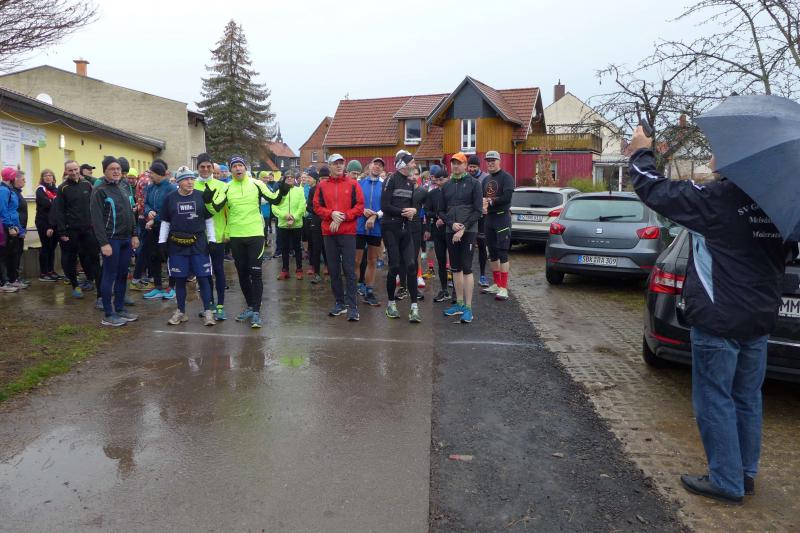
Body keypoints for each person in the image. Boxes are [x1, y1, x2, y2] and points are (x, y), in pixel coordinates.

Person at [628, 126, 791, 505]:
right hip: (758, 319)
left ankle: (725, 481)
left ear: (738, 160)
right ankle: (744, 474)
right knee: (746, 397)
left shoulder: (719, 199)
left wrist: (640, 152)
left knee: (715, 398)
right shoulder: (779, 207)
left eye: (719, 149)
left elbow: (655, 190)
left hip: (719, 320)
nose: (712, 155)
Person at [205, 155, 287, 328]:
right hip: (236, 236)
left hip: (255, 234)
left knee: (255, 273)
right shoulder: (227, 187)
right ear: (231, 170)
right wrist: (208, 199)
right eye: (234, 166)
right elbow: (216, 207)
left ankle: (256, 312)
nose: (238, 168)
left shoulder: (257, 184)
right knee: (242, 274)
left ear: (245, 168)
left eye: (240, 165)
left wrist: (283, 191)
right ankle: (250, 306)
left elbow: (275, 199)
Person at [158, 169, 217, 326]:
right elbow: (165, 222)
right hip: (177, 244)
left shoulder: (201, 196)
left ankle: (208, 311)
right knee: (179, 279)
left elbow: (209, 220)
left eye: (192, 179)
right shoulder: (170, 198)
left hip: (199, 243)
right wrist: (162, 242)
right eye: (186, 179)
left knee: (203, 277)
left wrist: (212, 240)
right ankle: (181, 312)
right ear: (178, 182)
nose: (190, 182)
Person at [312, 154, 364, 321]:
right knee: (333, 270)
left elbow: (360, 206)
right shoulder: (322, 185)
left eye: (341, 163)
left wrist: (342, 217)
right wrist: (331, 214)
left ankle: (353, 307)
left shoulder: (353, 184)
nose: (339, 166)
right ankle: (340, 303)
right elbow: (316, 207)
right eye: (335, 163)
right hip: (329, 233)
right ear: (330, 166)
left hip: (347, 232)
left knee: (349, 269)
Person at [90, 156, 140, 327]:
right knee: (109, 275)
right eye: (112, 169)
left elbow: (130, 213)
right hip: (111, 240)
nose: (116, 171)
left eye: (118, 169)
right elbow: (96, 220)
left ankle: (120, 309)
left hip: (126, 239)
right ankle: (108, 314)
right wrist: (103, 243)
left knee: (122, 274)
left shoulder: (123, 188)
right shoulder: (99, 190)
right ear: (105, 171)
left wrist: (134, 234)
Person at [381, 152, 423, 323]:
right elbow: (384, 205)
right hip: (390, 228)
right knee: (395, 266)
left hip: (406, 229)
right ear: (403, 164)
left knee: (411, 265)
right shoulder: (391, 179)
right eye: (411, 162)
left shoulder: (410, 183)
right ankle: (391, 304)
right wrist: (402, 212)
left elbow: (413, 206)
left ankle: (414, 307)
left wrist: (414, 210)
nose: (414, 165)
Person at [441, 152, 483, 323]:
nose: (456, 166)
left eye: (459, 163)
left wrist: (463, 228)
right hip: (451, 230)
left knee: (466, 268)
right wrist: (451, 224)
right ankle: (458, 303)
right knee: (455, 268)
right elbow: (441, 211)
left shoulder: (474, 184)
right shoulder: (447, 185)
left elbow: (478, 211)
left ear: (465, 165)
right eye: (453, 163)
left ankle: (468, 308)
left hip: (469, 231)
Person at [53, 160, 100, 299]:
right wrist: (62, 231)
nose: (74, 173)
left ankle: (95, 284)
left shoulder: (87, 184)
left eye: (75, 169)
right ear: (66, 171)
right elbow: (59, 211)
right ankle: (75, 285)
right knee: (71, 258)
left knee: (92, 257)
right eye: (70, 170)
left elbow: (94, 205)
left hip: (88, 228)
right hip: (71, 230)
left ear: (79, 169)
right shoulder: (62, 188)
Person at [194, 153, 228, 321]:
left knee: (218, 270)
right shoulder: (191, 185)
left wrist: (227, 232)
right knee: (203, 272)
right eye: (202, 166)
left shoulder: (222, 186)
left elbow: (222, 210)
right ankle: (209, 305)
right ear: (197, 168)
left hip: (217, 235)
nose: (206, 169)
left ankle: (220, 306)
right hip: (198, 237)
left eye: (209, 166)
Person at [480, 150, 515, 300]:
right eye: (488, 161)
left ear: (499, 161)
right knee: (492, 253)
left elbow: (507, 197)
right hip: (489, 219)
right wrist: (482, 205)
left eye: (493, 160)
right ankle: (496, 284)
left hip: (502, 218)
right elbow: (482, 198)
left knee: (502, 253)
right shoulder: (485, 180)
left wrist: (491, 201)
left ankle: (504, 288)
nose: (490, 163)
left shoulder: (506, 177)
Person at [142, 162, 177, 300]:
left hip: (167, 228)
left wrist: (155, 218)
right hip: (153, 228)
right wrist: (148, 211)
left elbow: (170, 210)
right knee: (153, 256)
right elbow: (146, 203)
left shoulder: (171, 188)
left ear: (159, 174)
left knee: (169, 256)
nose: (149, 175)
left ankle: (172, 287)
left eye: (151, 173)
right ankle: (157, 287)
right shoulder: (150, 187)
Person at [355, 158, 384, 307]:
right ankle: (353, 290)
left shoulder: (384, 186)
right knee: (356, 261)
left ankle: (369, 291)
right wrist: (362, 210)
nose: (377, 167)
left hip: (376, 227)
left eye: (380, 165)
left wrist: (375, 216)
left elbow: (387, 206)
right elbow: (353, 203)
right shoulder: (359, 184)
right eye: (375, 164)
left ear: (382, 169)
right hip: (359, 226)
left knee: (372, 260)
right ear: (370, 166)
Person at [272, 170, 306, 280]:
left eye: (291, 176)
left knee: (297, 248)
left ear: (294, 179)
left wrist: (294, 217)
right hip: (283, 224)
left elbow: (302, 206)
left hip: (296, 224)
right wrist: (285, 215)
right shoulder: (279, 192)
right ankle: (285, 270)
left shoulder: (299, 190)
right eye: (287, 177)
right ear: (284, 179)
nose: (290, 178)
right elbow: (274, 207)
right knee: (284, 248)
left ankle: (299, 269)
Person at [425, 165, 450, 302]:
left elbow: (457, 209)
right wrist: (437, 216)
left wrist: (445, 218)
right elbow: (427, 211)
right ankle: (444, 289)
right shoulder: (432, 194)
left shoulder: (453, 192)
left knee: (455, 262)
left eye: (442, 179)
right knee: (441, 261)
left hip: (451, 229)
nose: (439, 182)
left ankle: (456, 291)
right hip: (438, 230)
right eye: (437, 180)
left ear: (448, 179)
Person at [467, 154, 490, 288]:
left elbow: (489, 196)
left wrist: (484, 205)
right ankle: (465, 274)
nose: (472, 169)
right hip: (468, 218)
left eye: (474, 167)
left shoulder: (486, 178)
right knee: (467, 247)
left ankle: (482, 275)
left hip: (482, 218)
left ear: (479, 167)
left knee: (482, 246)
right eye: (470, 166)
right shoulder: (465, 178)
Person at [35, 169, 60, 281]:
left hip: (55, 222)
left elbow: (59, 204)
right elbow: (46, 204)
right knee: (46, 247)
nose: (48, 177)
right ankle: (43, 273)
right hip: (44, 222)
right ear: (42, 178)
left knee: (52, 247)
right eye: (45, 175)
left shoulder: (56, 189)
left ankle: (51, 270)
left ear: (53, 178)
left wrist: (55, 203)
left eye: (50, 175)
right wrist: (49, 226)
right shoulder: (40, 190)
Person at [0, 168, 22, 292]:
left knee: (12, 254)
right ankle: (3, 283)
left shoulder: (9, 190)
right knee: (3, 256)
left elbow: (13, 211)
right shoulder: (3, 191)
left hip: (12, 226)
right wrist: (9, 226)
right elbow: (3, 210)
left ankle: (12, 280)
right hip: (5, 227)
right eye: (15, 177)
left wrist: (17, 227)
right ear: (11, 178)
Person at [306, 167, 326, 284]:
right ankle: (317, 273)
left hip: (329, 221)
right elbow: (308, 206)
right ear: (319, 179)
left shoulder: (331, 189)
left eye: (326, 178)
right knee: (316, 247)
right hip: (316, 221)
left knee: (328, 247)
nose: (324, 180)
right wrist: (319, 212)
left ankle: (329, 268)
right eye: (322, 178)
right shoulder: (313, 190)